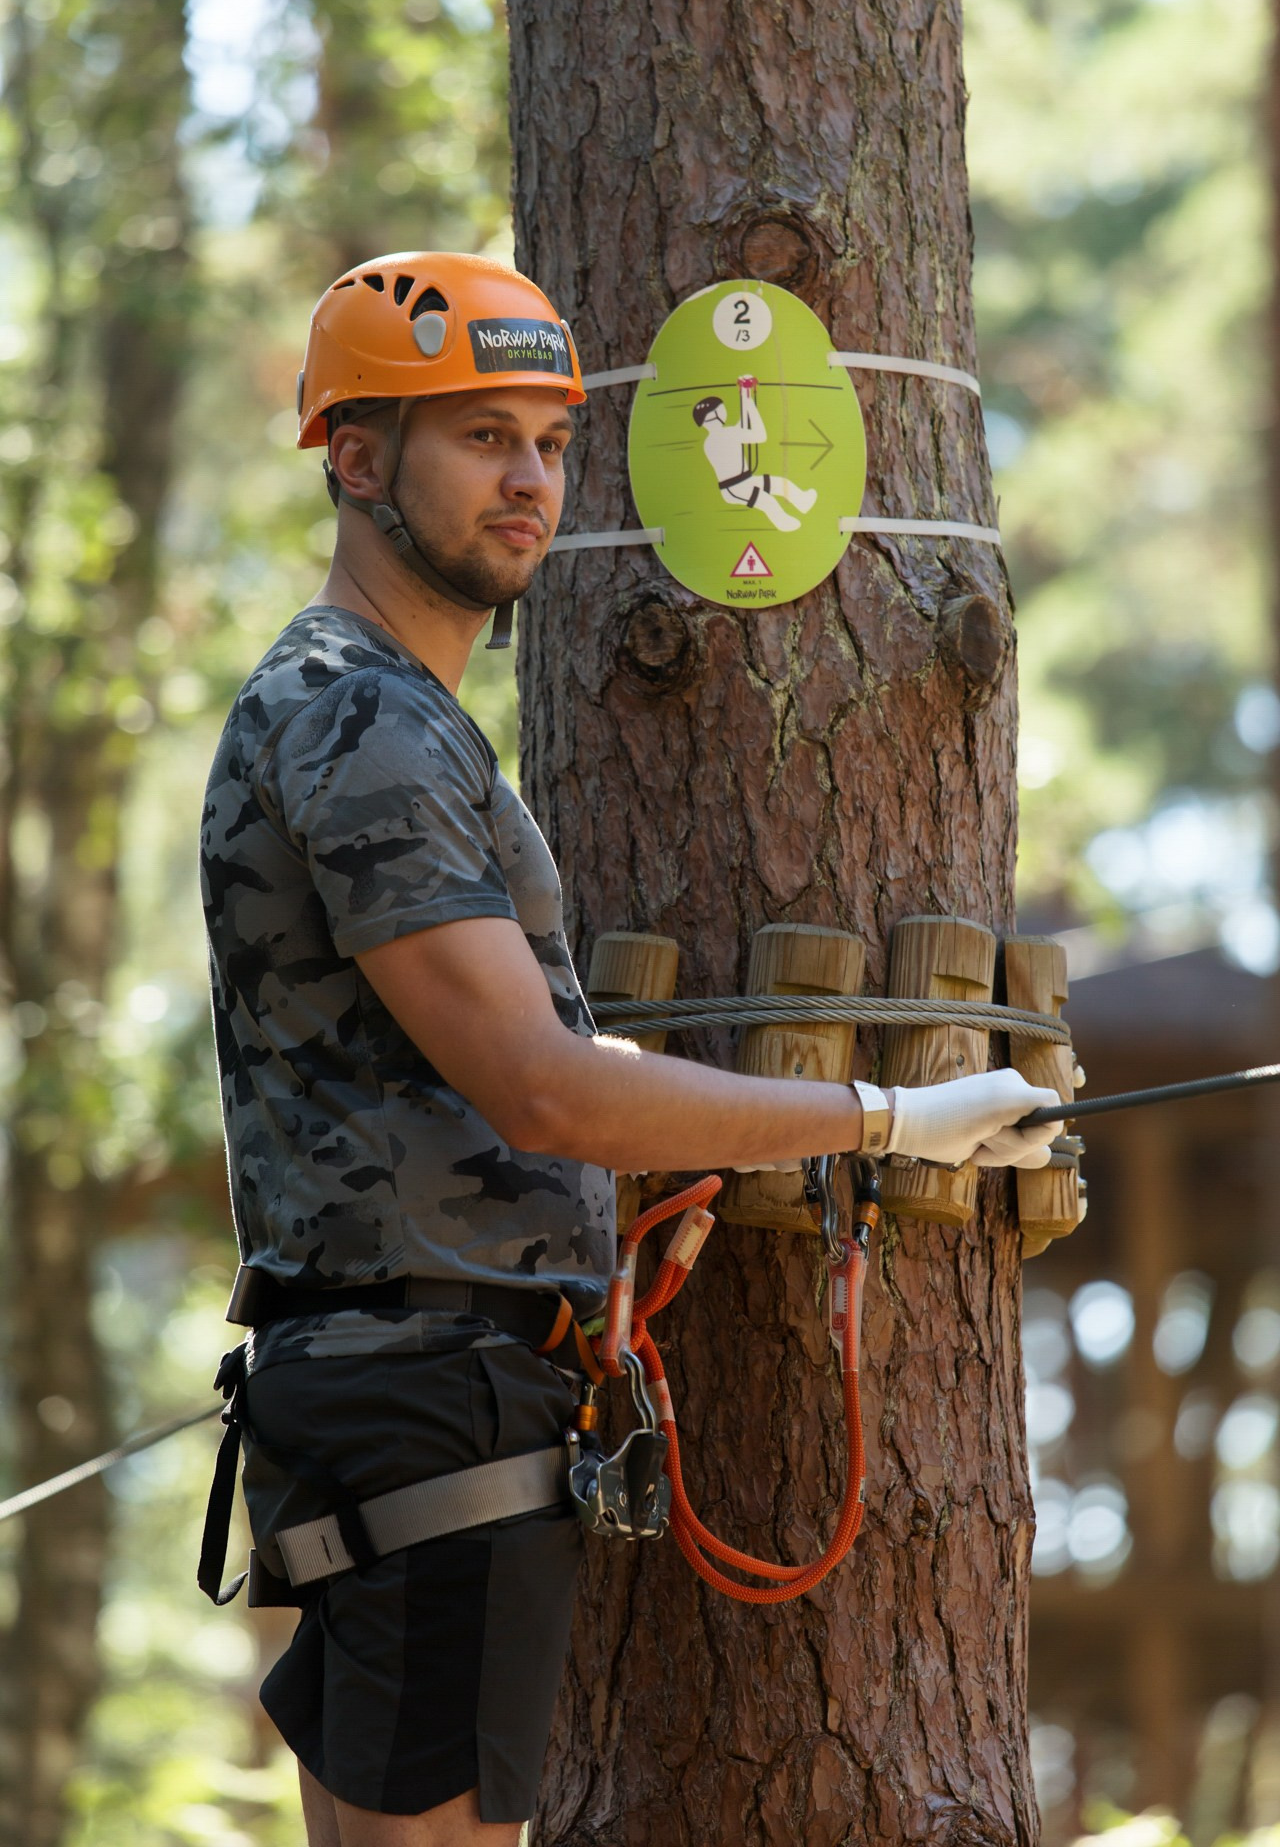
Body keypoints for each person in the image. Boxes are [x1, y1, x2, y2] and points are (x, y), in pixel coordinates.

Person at [199, 249, 1063, 1847]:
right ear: (357, 457)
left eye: (546, 439)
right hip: (425, 1403)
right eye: (479, 438)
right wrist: (888, 1115)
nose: (529, 479)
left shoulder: (380, 712)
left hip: (406, 1390)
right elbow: (541, 1086)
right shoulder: (362, 725)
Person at [692, 373, 817, 531]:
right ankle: (785, 524)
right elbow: (758, 435)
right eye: (721, 409)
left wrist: (746, 395)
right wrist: (747, 399)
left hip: (744, 481)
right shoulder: (722, 436)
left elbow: (742, 425)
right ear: (714, 415)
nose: (725, 412)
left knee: (780, 484)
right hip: (735, 487)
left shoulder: (717, 437)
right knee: (767, 501)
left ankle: (802, 500)